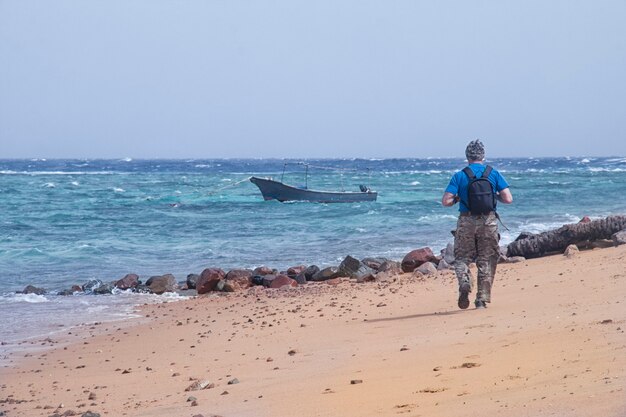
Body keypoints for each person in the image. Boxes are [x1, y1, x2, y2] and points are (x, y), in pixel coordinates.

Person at [441, 140, 513, 309]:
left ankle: (465, 280)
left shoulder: (460, 175)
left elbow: (446, 201)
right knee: (487, 259)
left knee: (462, 257)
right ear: (483, 155)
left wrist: (458, 198)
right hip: (488, 221)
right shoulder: (493, 173)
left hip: (466, 220)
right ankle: (481, 299)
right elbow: (508, 199)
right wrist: (494, 197)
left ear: (467, 157)